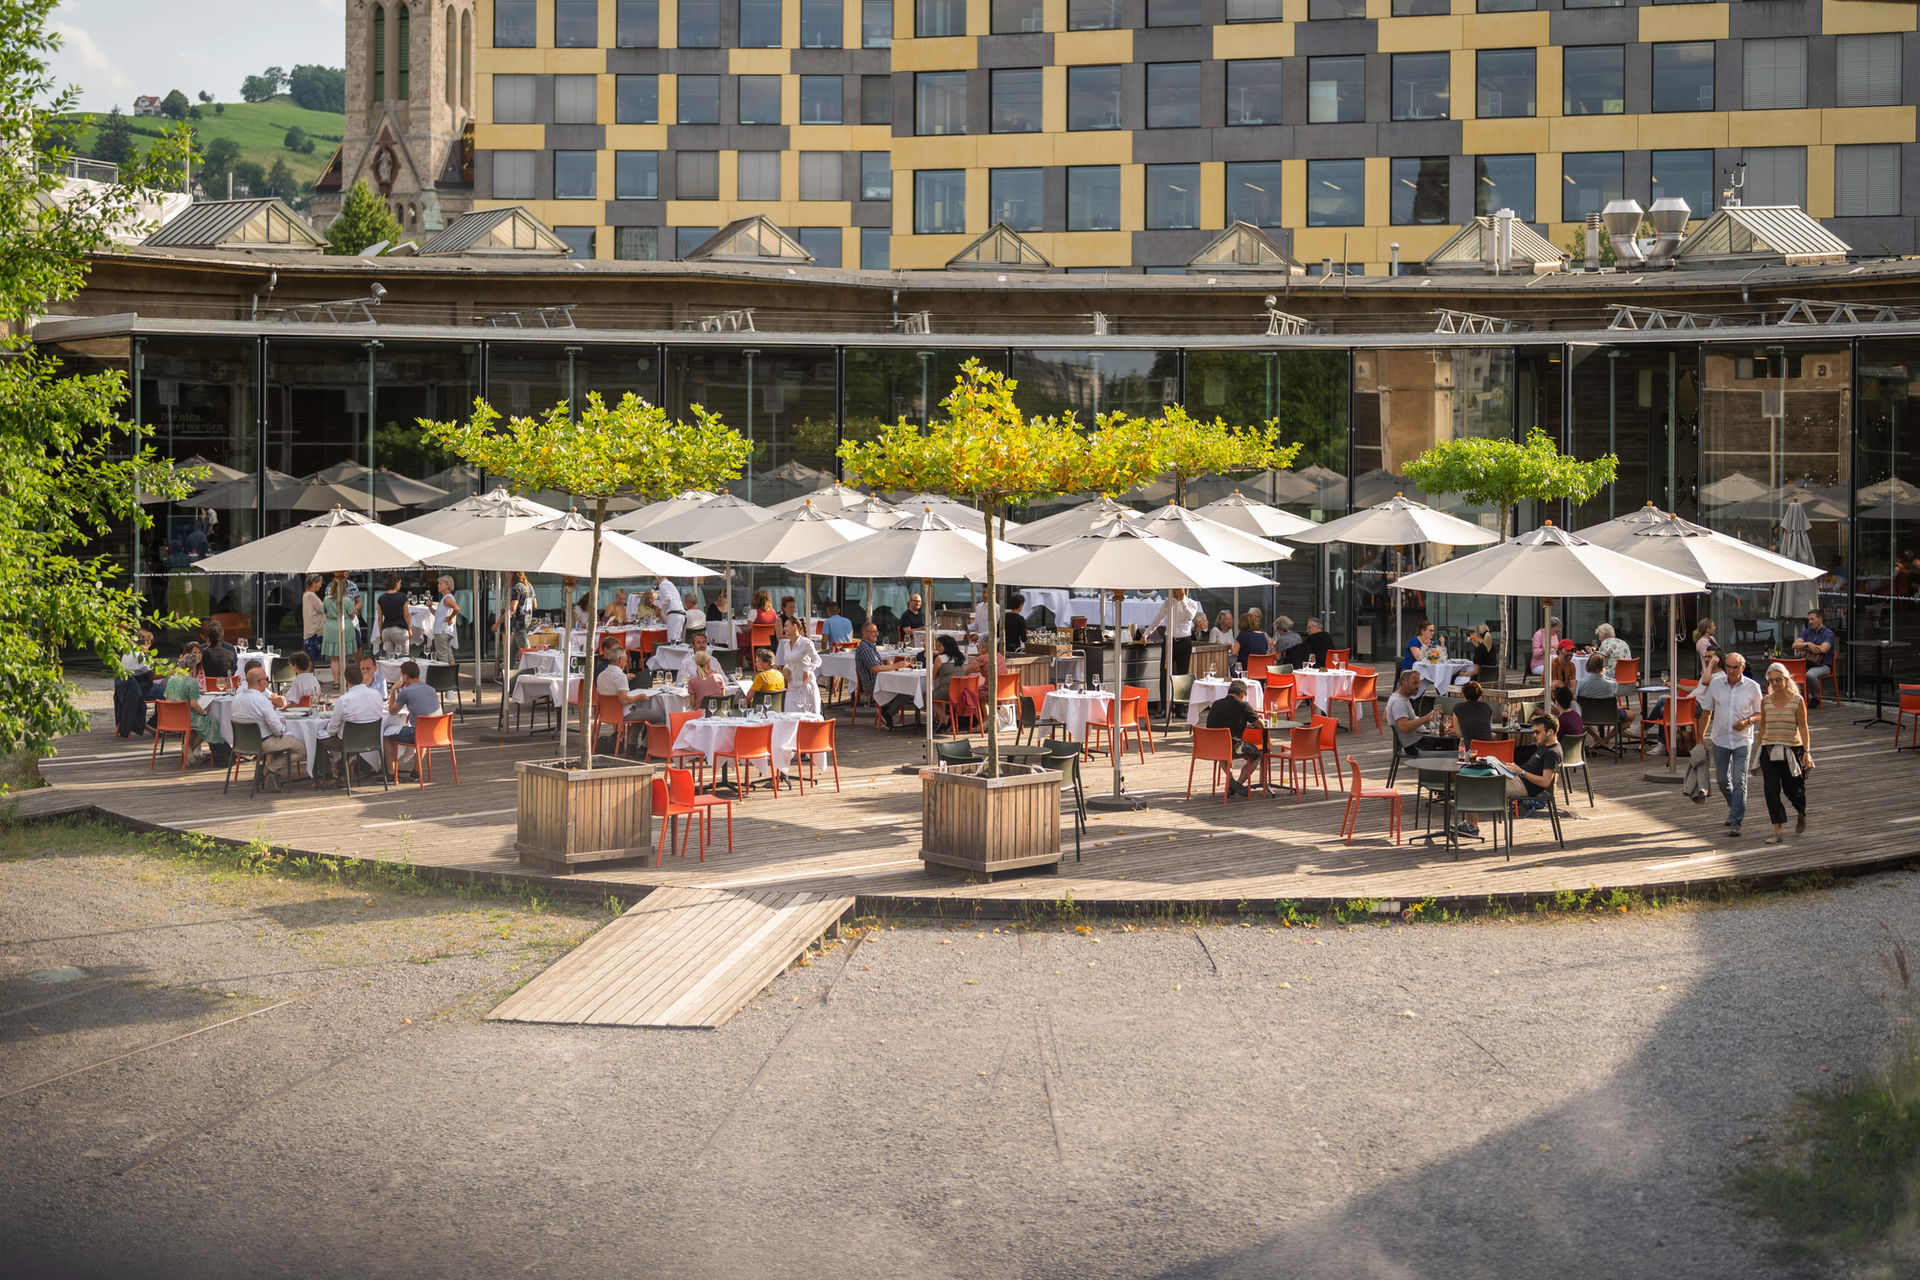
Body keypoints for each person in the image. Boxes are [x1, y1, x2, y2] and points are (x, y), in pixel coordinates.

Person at [1695, 650, 1763, 837]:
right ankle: (1734, 807)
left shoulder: (1752, 687)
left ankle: (1736, 821)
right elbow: (1707, 711)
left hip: (1742, 740)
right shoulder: (1716, 685)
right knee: (1723, 780)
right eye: (1728, 667)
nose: (1731, 671)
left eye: (1735, 667)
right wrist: (1700, 737)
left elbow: (1760, 712)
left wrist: (1747, 721)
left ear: (1742, 667)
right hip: (1720, 739)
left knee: (1739, 780)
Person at [1757, 661, 1811, 844]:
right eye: (1771, 681)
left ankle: (1801, 812)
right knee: (1771, 790)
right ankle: (1778, 830)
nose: (1775, 684)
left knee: (1793, 789)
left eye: (1778, 680)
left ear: (1786, 680)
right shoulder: (1765, 701)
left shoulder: (1797, 700)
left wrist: (1807, 752)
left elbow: (1803, 727)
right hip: (1770, 749)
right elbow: (1763, 727)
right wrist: (1758, 751)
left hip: (1792, 750)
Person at [315, 661, 387, 785]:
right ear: (362, 677)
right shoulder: (376, 695)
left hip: (347, 741)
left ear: (346, 681)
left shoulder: (344, 700)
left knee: (317, 739)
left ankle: (327, 776)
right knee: (346, 737)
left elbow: (332, 729)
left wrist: (327, 730)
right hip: (372, 740)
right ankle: (342, 772)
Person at [230, 662, 302, 784]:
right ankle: (268, 769)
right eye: (266, 679)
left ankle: (274, 775)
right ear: (260, 681)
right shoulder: (262, 701)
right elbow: (277, 730)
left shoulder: (236, 699)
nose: (267, 682)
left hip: (242, 743)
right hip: (262, 742)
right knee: (302, 748)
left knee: (281, 743)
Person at [1203, 679, 1268, 799]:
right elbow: (1260, 725)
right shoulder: (1243, 705)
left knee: (1223, 754)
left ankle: (1231, 781)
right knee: (1258, 754)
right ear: (1242, 694)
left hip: (1213, 746)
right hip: (1234, 746)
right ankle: (1237, 784)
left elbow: (1208, 726)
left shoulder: (1216, 704)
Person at [162, 647, 223, 764]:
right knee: (212, 722)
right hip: (185, 718)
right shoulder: (192, 682)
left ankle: (189, 748)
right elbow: (194, 705)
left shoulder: (172, 680)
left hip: (169, 718)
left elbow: (167, 698)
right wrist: (204, 713)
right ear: (193, 667)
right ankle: (190, 748)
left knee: (200, 722)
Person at [384, 659, 443, 776]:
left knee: (386, 734)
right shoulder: (431, 689)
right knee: (423, 729)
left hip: (420, 734)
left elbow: (392, 711)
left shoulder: (406, 691)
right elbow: (426, 708)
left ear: (405, 676)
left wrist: (393, 690)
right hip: (438, 733)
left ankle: (391, 773)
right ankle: (416, 771)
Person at [595, 636, 668, 726]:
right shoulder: (620, 676)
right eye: (626, 661)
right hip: (624, 714)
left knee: (640, 711)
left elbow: (598, 699)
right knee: (660, 715)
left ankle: (633, 740)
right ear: (620, 660)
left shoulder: (601, 675)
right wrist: (639, 697)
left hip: (606, 713)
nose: (626, 664)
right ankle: (647, 740)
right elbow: (623, 700)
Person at [857, 621, 915, 728]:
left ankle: (886, 710)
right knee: (906, 688)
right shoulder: (865, 648)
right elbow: (874, 669)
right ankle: (887, 713)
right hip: (873, 683)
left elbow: (874, 663)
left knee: (907, 687)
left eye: (877, 632)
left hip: (881, 680)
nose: (876, 634)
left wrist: (885, 661)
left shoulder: (870, 646)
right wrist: (895, 666)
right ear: (864, 633)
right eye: (873, 632)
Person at [1386, 668, 1455, 757]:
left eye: (1419, 683)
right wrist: (1426, 718)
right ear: (1403, 683)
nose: (1418, 686)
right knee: (1453, 742)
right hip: (1417, 745)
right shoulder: (1399, 702)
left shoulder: (1395, 696)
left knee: (1448, 736)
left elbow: (1385, 717)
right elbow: (1404, 727)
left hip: (1419, 739)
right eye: (1414, 683)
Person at [1504, 715, 1563, 816]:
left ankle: (1473, 825)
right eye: (1534, 732)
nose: (1534, 735)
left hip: (1525, 786)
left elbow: (1545, 782)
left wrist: (1521, 772)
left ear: (1550, 732)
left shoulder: (1552, 753)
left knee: (1485, 785)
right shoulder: (1545, 745)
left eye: (1537, 732)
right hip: (1518, 779)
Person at [1149, 588, 1203, 675]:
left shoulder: (1191, 603)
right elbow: (1158, 619)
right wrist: (1146, 634)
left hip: (1184, 641)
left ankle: (1181, 689)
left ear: (1183, 590)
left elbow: (1190, 616)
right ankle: (1164, 689)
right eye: (1173, 589)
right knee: (1164, 672)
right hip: (1169, 640)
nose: (1175, 591)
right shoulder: (1168, 603)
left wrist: (1182, 601)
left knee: (1183, 672)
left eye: (1177, 589)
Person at [322, 572, 360, 690]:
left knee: (334, 657)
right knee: (345, 656)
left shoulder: (326, 599)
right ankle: (344, 680)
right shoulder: (347, 601)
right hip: (344, 626)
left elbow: (324, 612)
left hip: (330, 626)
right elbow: (352, 615)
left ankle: (336, 682)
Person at [776, 616, 821, 714]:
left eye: (786, 626)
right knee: (789, 718)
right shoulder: (786, 645)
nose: (784, 629)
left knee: (812, 720)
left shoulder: (806, 643)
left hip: (807, 687)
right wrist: (786, 668)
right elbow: (790, 662)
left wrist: (807, 670)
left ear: (794, 626)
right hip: (792, 687)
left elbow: (817, 660)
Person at [1792, 608, 1835, 707]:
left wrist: (1806, 646)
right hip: (1807, 664)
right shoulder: (1807, 632)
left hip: (1823, 665)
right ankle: (1801, 697)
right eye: (1809, 620)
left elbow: (1823, 649)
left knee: (1810, 675)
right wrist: (1808, 644)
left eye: (1812, 619)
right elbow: (1795, 645)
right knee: (1790, 673)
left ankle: (1816, 697)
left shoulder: (1828, 633)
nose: (1810, 622)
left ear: (1820, 619)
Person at [1578, 623, 1633, 699]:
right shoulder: (1623, 642)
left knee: (1593, 674)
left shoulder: (1606, 643)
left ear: (1605, 635)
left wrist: (1591, 652)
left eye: (1600, 636)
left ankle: (1592, 697)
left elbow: (1599, 660)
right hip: (1628, 675)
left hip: (1613, 675)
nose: (1599, 639)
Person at [929, 634, 966, 733]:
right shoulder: (960, 657)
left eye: (939, 645)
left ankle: (946, 718)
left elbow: (933, 676)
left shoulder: (940, 659)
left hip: (948, 691)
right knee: (937, 695)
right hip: (962, 692)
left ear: (946, 646)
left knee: (927, 697)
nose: (937, 647)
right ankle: (942, 722)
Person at [427, 576, 460, 666]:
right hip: (446, 631)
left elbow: (457, 608)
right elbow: (437, 614)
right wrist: (430, 607)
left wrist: (450, 617)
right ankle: (452, 677)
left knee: (442, 658)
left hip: (441, 631)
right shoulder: (446, 598)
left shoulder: (447, 598)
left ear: (447, 586)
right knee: (449, 657)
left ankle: (445, 678)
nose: (438, 585)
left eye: (440, 584)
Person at [1451, 680, 1494, 747]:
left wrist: (1457, 732)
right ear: (1480, 695)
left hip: (1471, 751)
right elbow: (1487, 729)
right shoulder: (1487, 707)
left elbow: (1459, 735)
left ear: (1463, 694)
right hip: (1490, 750)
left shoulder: (1458, 707)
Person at [377, 575, 410, 657]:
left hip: (386, 631)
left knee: (390, 659)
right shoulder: (402, 597)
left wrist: (380, 632)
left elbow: (379, 618)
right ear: (396, 583)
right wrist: (409, 629)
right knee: (404, 658)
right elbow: (406, 615)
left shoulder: (381, 598)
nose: (400, 585)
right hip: (399, 629)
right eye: (400, 583)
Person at [301, 575, 326, 664]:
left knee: (309, 660)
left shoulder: (305, 594)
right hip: (314, 632)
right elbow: (323, 609)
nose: (321, 585)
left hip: (310, 631)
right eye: (319, 583)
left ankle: (310, 677)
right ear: (314, 583)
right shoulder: (311, 596)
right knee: (311, 661)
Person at [657, 573, 687, 643]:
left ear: (658, 577)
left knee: (672, 641)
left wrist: (659, 608)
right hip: (679, 614)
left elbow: (668, 598)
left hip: (674, 614)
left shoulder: (663, 584)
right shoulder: (669, 584)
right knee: (677, 641)